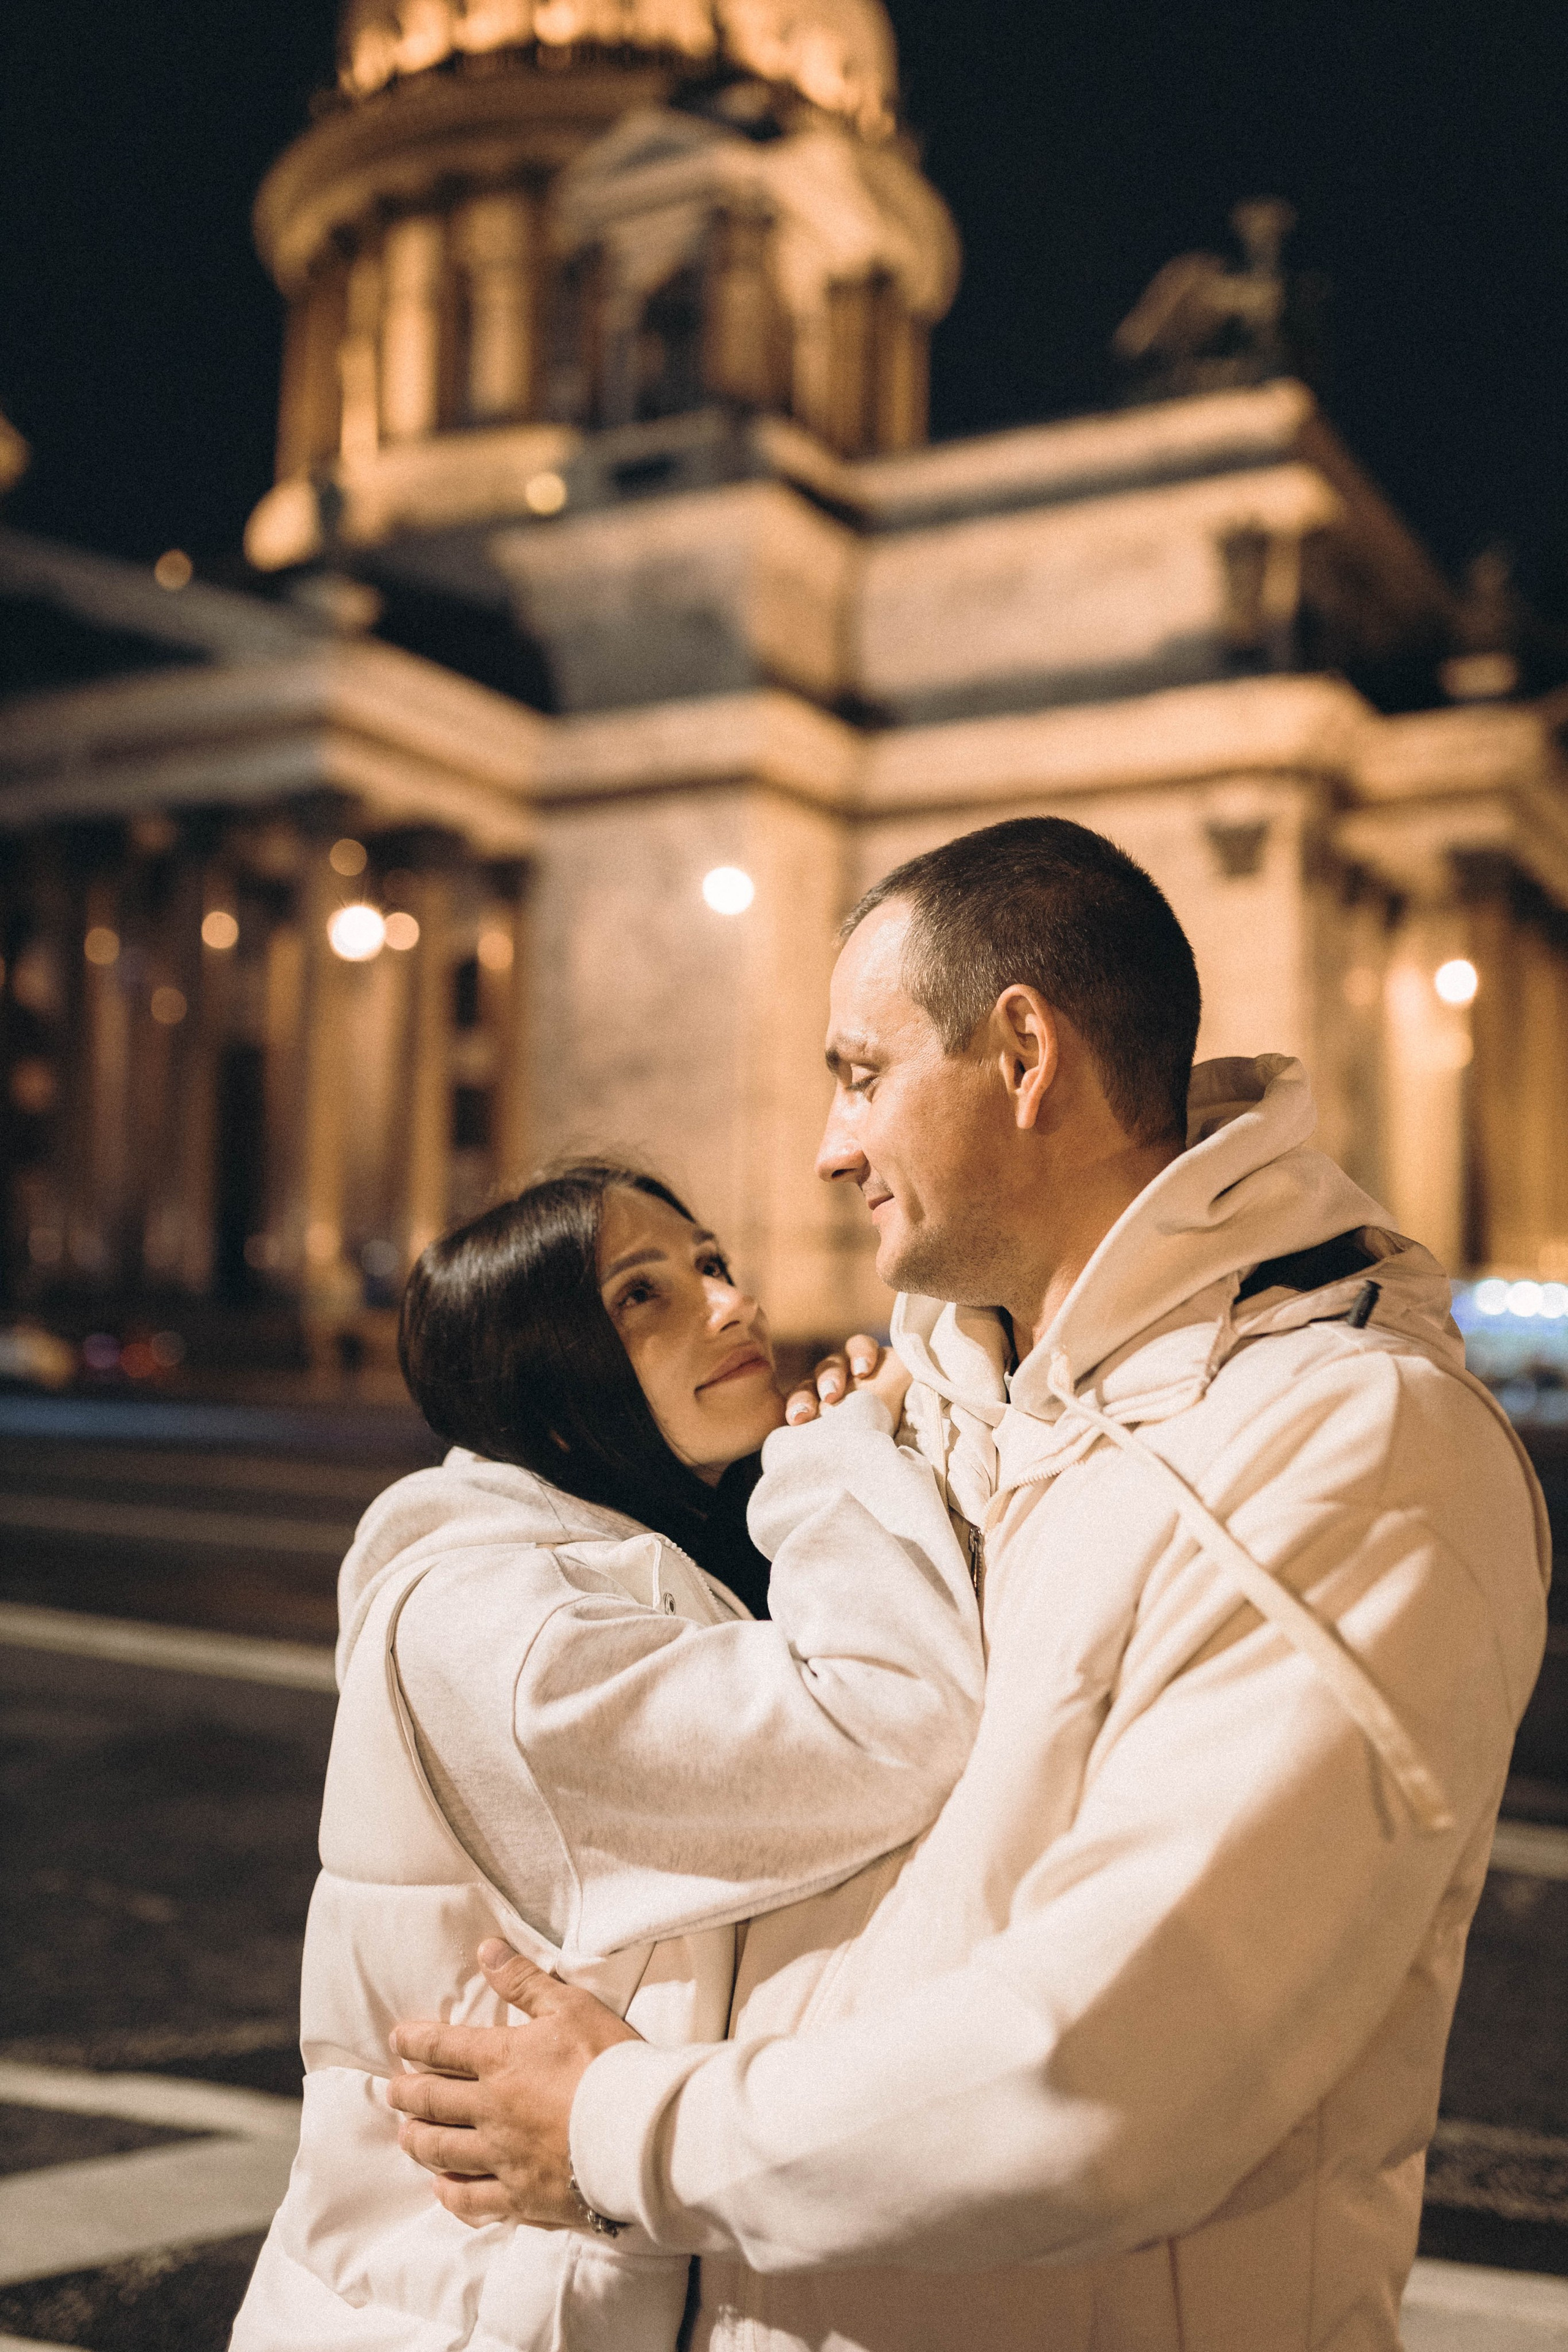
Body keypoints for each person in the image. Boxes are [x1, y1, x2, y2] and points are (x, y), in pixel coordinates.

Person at [386, 818, 1550, 2352]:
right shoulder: (920, 1411)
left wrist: (616, 2126)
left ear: (1021, 1055)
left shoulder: (1350, 1448)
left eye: (859, 1073)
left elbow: (1102, 2074)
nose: (826, 1145)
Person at [230, 1161, 983, 2352]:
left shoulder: (654, 1550)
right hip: (457, 2319)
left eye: (711, 1263)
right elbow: (893, 1722)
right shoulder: (504, 1636)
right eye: (643, 1297)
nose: (729, 1304)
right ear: (552, 1389)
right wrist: (840, 1457)